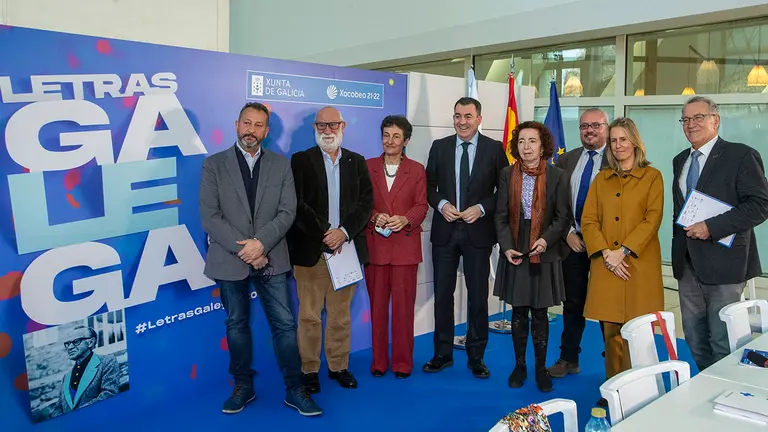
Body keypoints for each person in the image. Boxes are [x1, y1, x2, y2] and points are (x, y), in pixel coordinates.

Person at [199, 102, 321, 416]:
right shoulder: (213, 165)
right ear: (236, 124)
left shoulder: (281, 166)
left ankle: (295, 389)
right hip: (230, 258)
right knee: (236, 326)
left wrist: (261, 244)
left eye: (258, 125)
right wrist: (246, 249)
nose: (251, 130)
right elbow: (210, 217)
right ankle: (243, 386)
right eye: (246, 123)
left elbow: (287, 211)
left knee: (284, 325)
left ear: (266, 131)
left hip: (272, 257)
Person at [672, 96, 768, 371]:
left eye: (698, 117)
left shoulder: (741, 155)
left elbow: (760, 205)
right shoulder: (680, 160)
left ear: (715, 120)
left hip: (725, 264)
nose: (691, 125)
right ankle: (706, 382)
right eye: (686, 120)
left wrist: (711, 227)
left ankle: (726, 392)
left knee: (723, 339)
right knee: (694, 336)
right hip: (687, 264)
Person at [287, 106, 373, 393]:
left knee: (340, 316)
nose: (327, 130)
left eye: (332, 125)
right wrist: (327, 233)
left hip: (345, 251)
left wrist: (344, 233)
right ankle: (309, 370)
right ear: (314, 127)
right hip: (311, 251)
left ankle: (339, 366)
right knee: (309, 316)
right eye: (321, 125)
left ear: (343, 126)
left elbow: (365, 204)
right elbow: (297, 205)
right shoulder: (299, 161)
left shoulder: (357, 162)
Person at [422, 97, 508, 378]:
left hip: (478, 233)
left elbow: (503, 192)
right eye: (457, 116)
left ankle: (476, 356)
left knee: (478, 298)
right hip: (445, 232)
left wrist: (482, 208)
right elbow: (429, 187)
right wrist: (442, 204)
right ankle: (442, 354)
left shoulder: (495, 149)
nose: (462, 121)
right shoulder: (440, 147)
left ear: (479, 119)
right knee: (443, 296)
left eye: (468, 116)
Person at [581, 117, 665, 381]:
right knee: (611, 335)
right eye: (614, 140)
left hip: (637, 266)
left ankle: (641, 386)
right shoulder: (601, 179)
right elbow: (589, 220)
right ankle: (614, 389)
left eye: (623, 139)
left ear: (635, 142)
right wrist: (607, 253)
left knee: (638, 333)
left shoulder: (653, 177)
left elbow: (652, 219)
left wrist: (623, 251)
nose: (618, 145)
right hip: (607, 265)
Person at [493, 121, 571, 392]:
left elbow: (563, 217)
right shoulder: (506, 174)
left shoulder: (557, 175)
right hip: (515, 245)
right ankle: (519, 365)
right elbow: (501, 215)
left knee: (539, 312)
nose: (526, 147)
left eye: (532, 141)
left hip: (543, 247)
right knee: (518, 310)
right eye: (522, 141)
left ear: (542, 146)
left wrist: (544, 241)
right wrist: (506, 246)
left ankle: (540, 367)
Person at [547, 108, 609, 379]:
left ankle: (615, 363)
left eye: (596, 125)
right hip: (573, 244)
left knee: (609, 306)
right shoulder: (567, 159)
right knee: (573, 304)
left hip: (607, 247)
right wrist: (567, 233)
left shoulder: (618, 158)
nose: (589, 130)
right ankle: (568, 358)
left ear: (606, 127)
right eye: (584, 126)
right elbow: (556, 203)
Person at [365, 115, 428, 379]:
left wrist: (405, 219)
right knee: (377, 310)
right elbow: (359, 203)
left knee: (403, 311)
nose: (390, 141)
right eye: (386, 135)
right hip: (375, 250)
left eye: (396, 136)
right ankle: (379, 362)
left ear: (406, 141)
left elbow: (422, 205)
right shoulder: (366, 167)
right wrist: (374, 216)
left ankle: (403, 363)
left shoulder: (416, 170)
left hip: (405, 250)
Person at [53, 326, 119, 416]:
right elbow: (58, 408)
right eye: (67, 343)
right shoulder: (66, 377)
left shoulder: (107, 362)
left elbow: (109, 394)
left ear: (90, 342)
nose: (70, 347)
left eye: (76, 342)